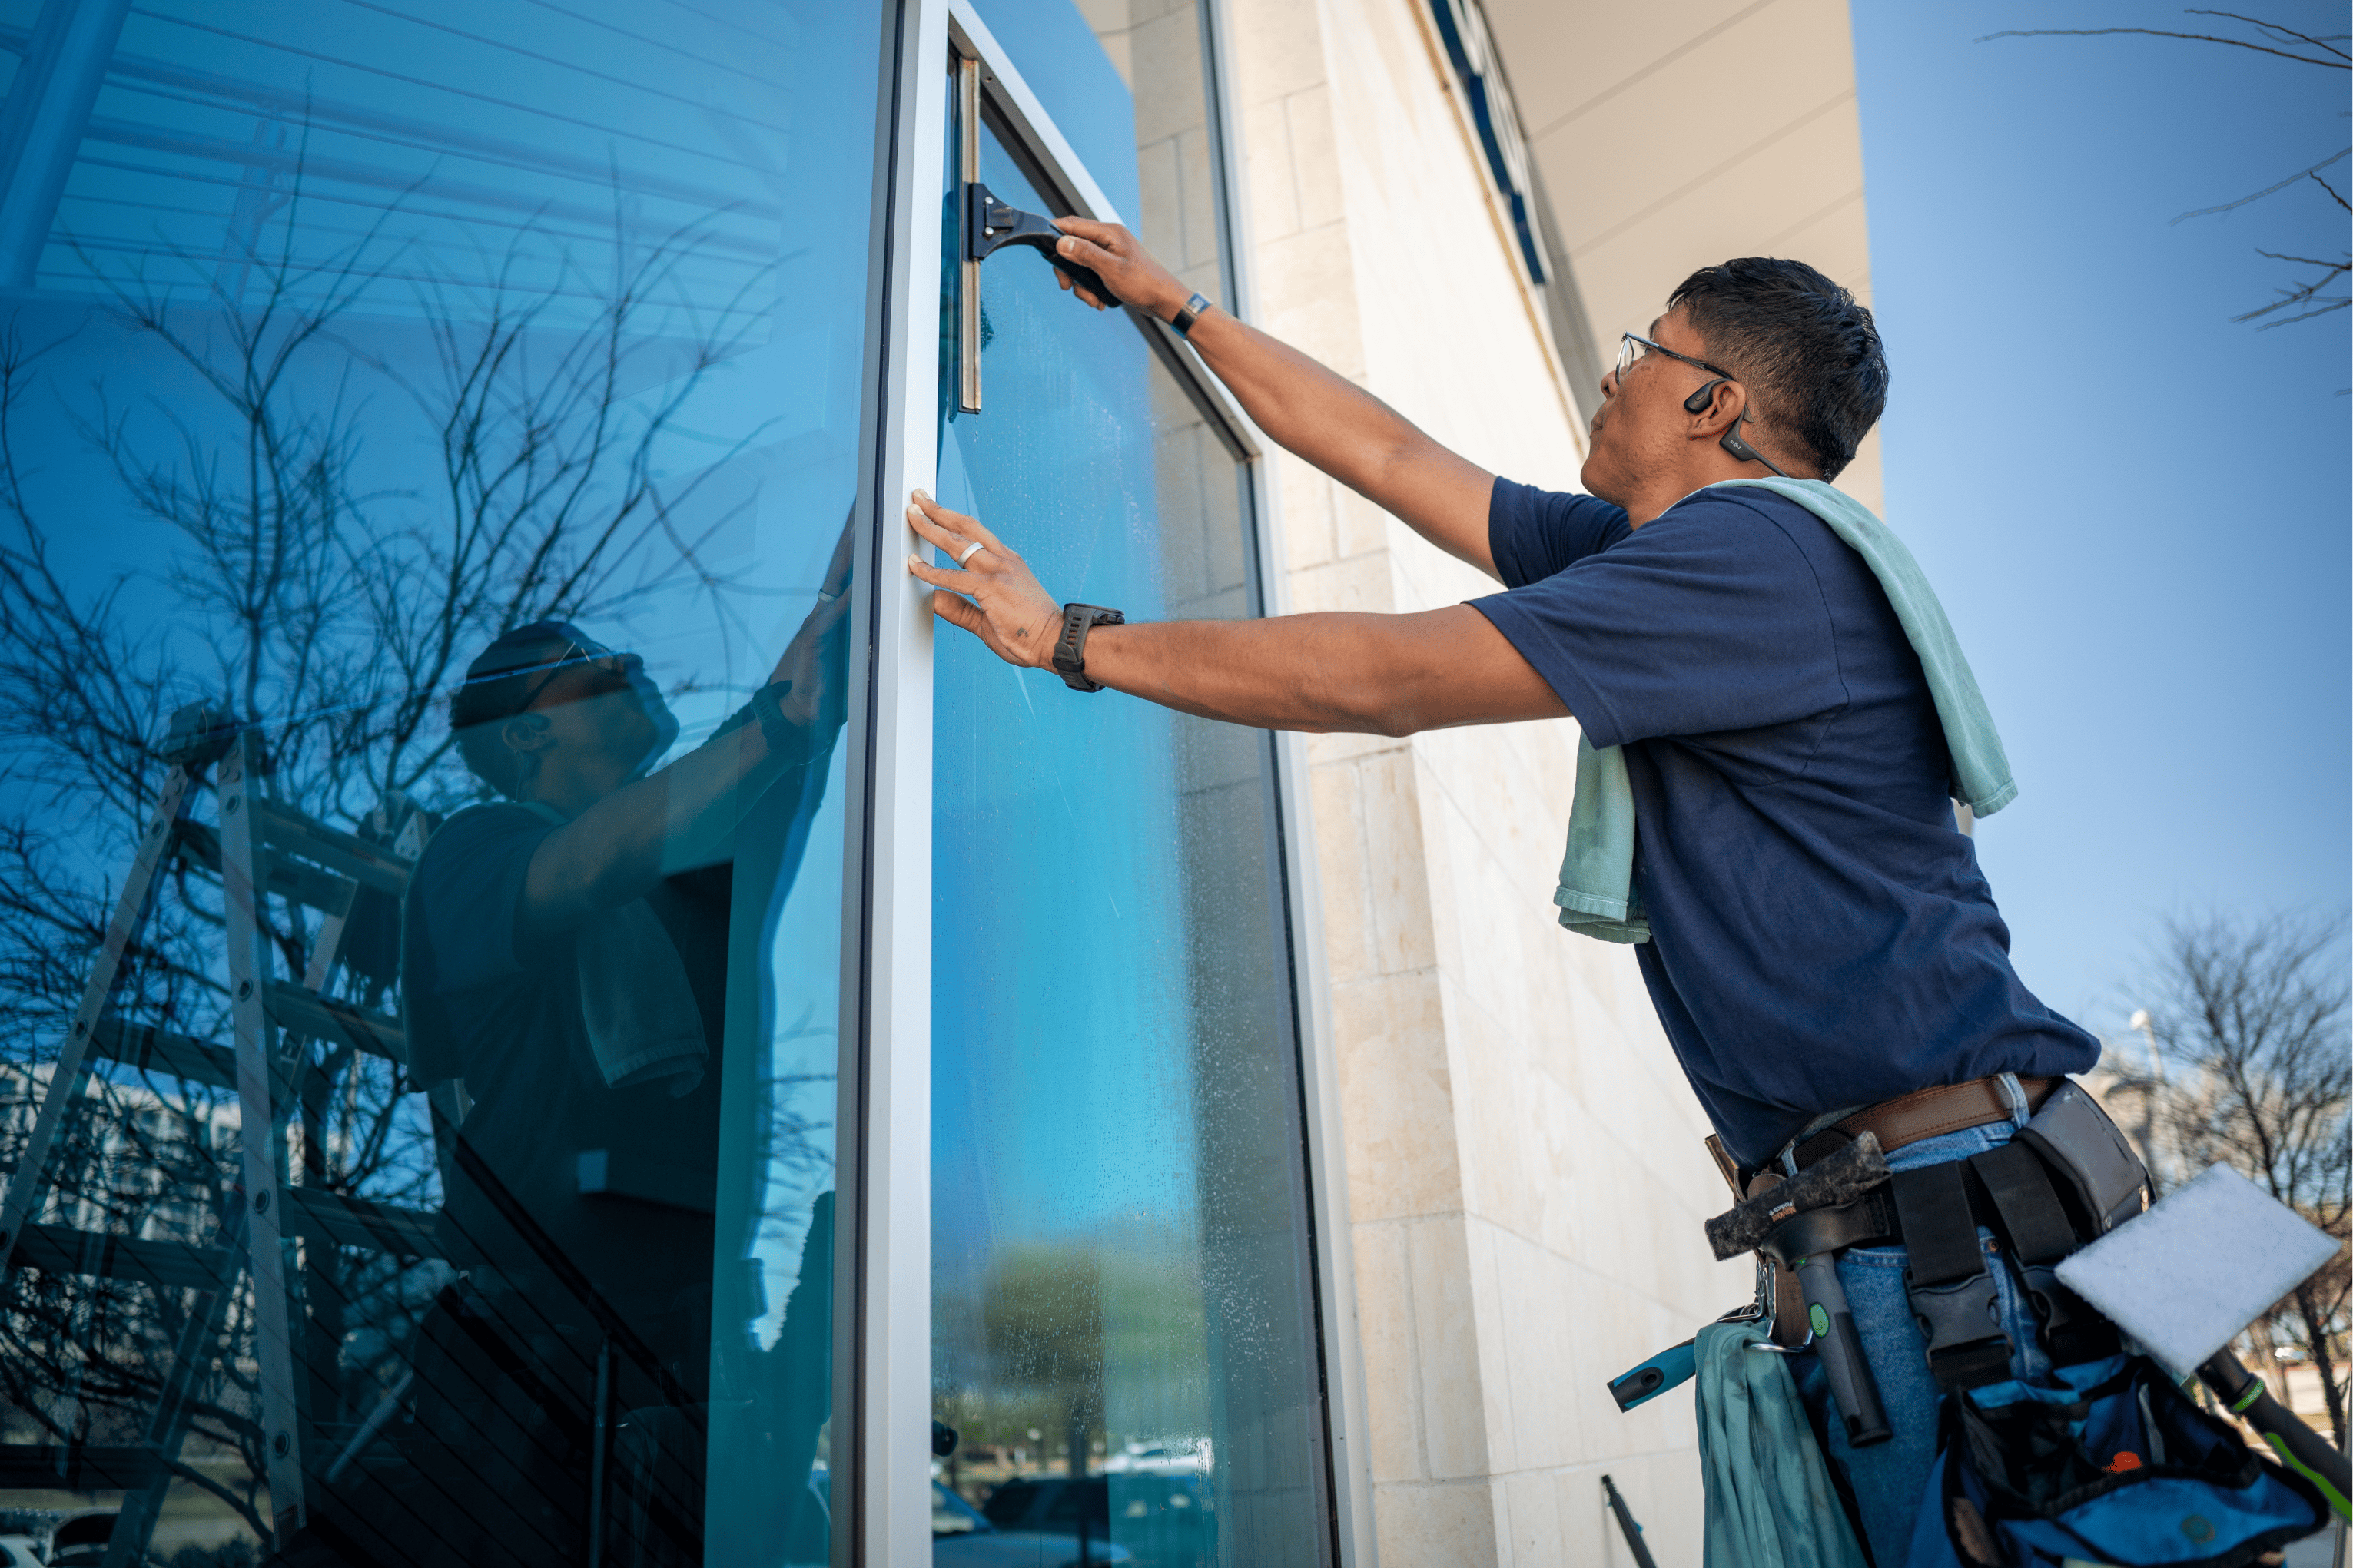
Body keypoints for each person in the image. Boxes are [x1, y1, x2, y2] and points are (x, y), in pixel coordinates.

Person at [902, 230, 2102, 1557]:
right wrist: (1177, 306)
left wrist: (1073, 640)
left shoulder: (1750, 562)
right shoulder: (1677, 557)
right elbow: (1396, 462)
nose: (1613, 374)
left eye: (1645, 350)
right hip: (1894, 1214)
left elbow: (1387, 679)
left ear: (1713, 403)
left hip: (1939, 1224)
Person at [331, 528, 852, 1568]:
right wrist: (766, 729)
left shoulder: (687, 855)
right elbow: (570, 875)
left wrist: (900, 466)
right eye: (603, 669)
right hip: (539, 1386)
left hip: (695, 1362)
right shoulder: (471, 851)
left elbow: (816, 671)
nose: (638, 674)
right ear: (526, 735)